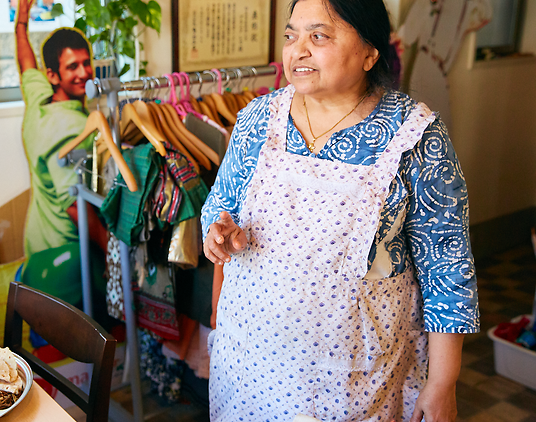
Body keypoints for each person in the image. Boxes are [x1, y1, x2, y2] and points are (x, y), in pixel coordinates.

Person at [201, 1, 479, 421]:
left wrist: (442, 382)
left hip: (354, 379)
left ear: (370, 53)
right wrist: (220, 232)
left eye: (319, 36)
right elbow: (219, 206)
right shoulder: (259, 117)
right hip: (249, 359)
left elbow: (446, 265)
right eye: (291, 36)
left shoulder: (416, 136)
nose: (298, 50)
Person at [15, 0, 106, 306]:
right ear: (54, 75)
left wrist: (21, 22)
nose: (83, 72)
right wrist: (110, 252)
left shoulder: (39, 99)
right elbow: (75, 206)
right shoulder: (73, 129)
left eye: (85, 62)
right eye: (72, 67)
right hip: (65, 254)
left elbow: (26, 64)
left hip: (35, 242)